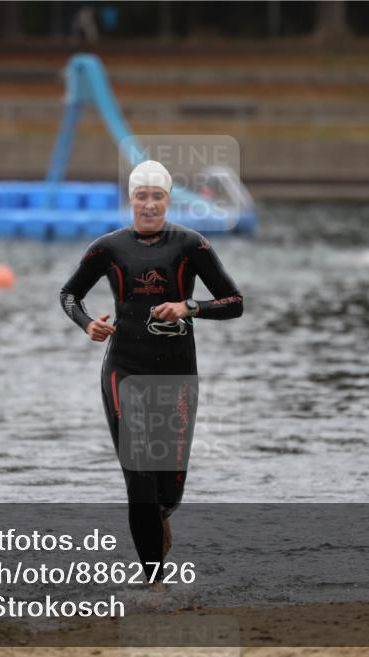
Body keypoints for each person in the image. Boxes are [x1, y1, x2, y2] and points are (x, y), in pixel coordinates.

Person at [59, 160, 243, 580]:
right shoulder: (108, 248)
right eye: (141, 196)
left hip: (177, 375)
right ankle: (154, 587)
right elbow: (69, 294)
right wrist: (87, 324)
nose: (148, 204)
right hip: (124, 371)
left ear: (168, 200)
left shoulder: (191, 245)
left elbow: (235, 303)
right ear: (131, 200)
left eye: (156, 196)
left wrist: (189, 306)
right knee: (139, 476)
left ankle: (161, 515)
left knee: (168, 492)